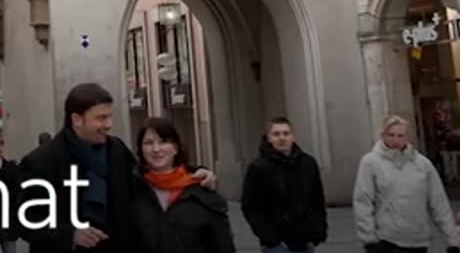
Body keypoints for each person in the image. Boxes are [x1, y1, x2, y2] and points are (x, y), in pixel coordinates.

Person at [19, 82, 215, 253]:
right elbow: (24, 221)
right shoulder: (40, 162)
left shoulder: (116, 150)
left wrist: (193, 174)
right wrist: (70, 235)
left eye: (110, 117)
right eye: (101, 118)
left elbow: (148, 175)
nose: (109, 124)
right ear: (77, 120)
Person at [353, 115, 460, 253]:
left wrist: (452, 240)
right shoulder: (370, 162)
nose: (396, 140)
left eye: (400, 135)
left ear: (407, 137)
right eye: (391, 135)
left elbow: (439, 202)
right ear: (383, 135)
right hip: (387, 239)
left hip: (418, 239)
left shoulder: (422, 164)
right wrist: (369, 239)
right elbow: (363, 201)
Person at [130, 118, 234, 253]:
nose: (156, 149)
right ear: (141, 150)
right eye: (148, 143)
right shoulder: (132, 190)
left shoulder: (201, 190)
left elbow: (222, 243)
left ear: (176, 148)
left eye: (164, 141)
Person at [241, 117, 327, 253]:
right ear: (268, 138)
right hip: (276, 244)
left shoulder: (307, 163)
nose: (282, 138)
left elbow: (317, 199)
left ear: (293, 137)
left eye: (286, 133)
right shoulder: (258, 168)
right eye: (276, 134)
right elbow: (250, 206)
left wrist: (319, 229)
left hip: (305, 240)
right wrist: (269, 237)